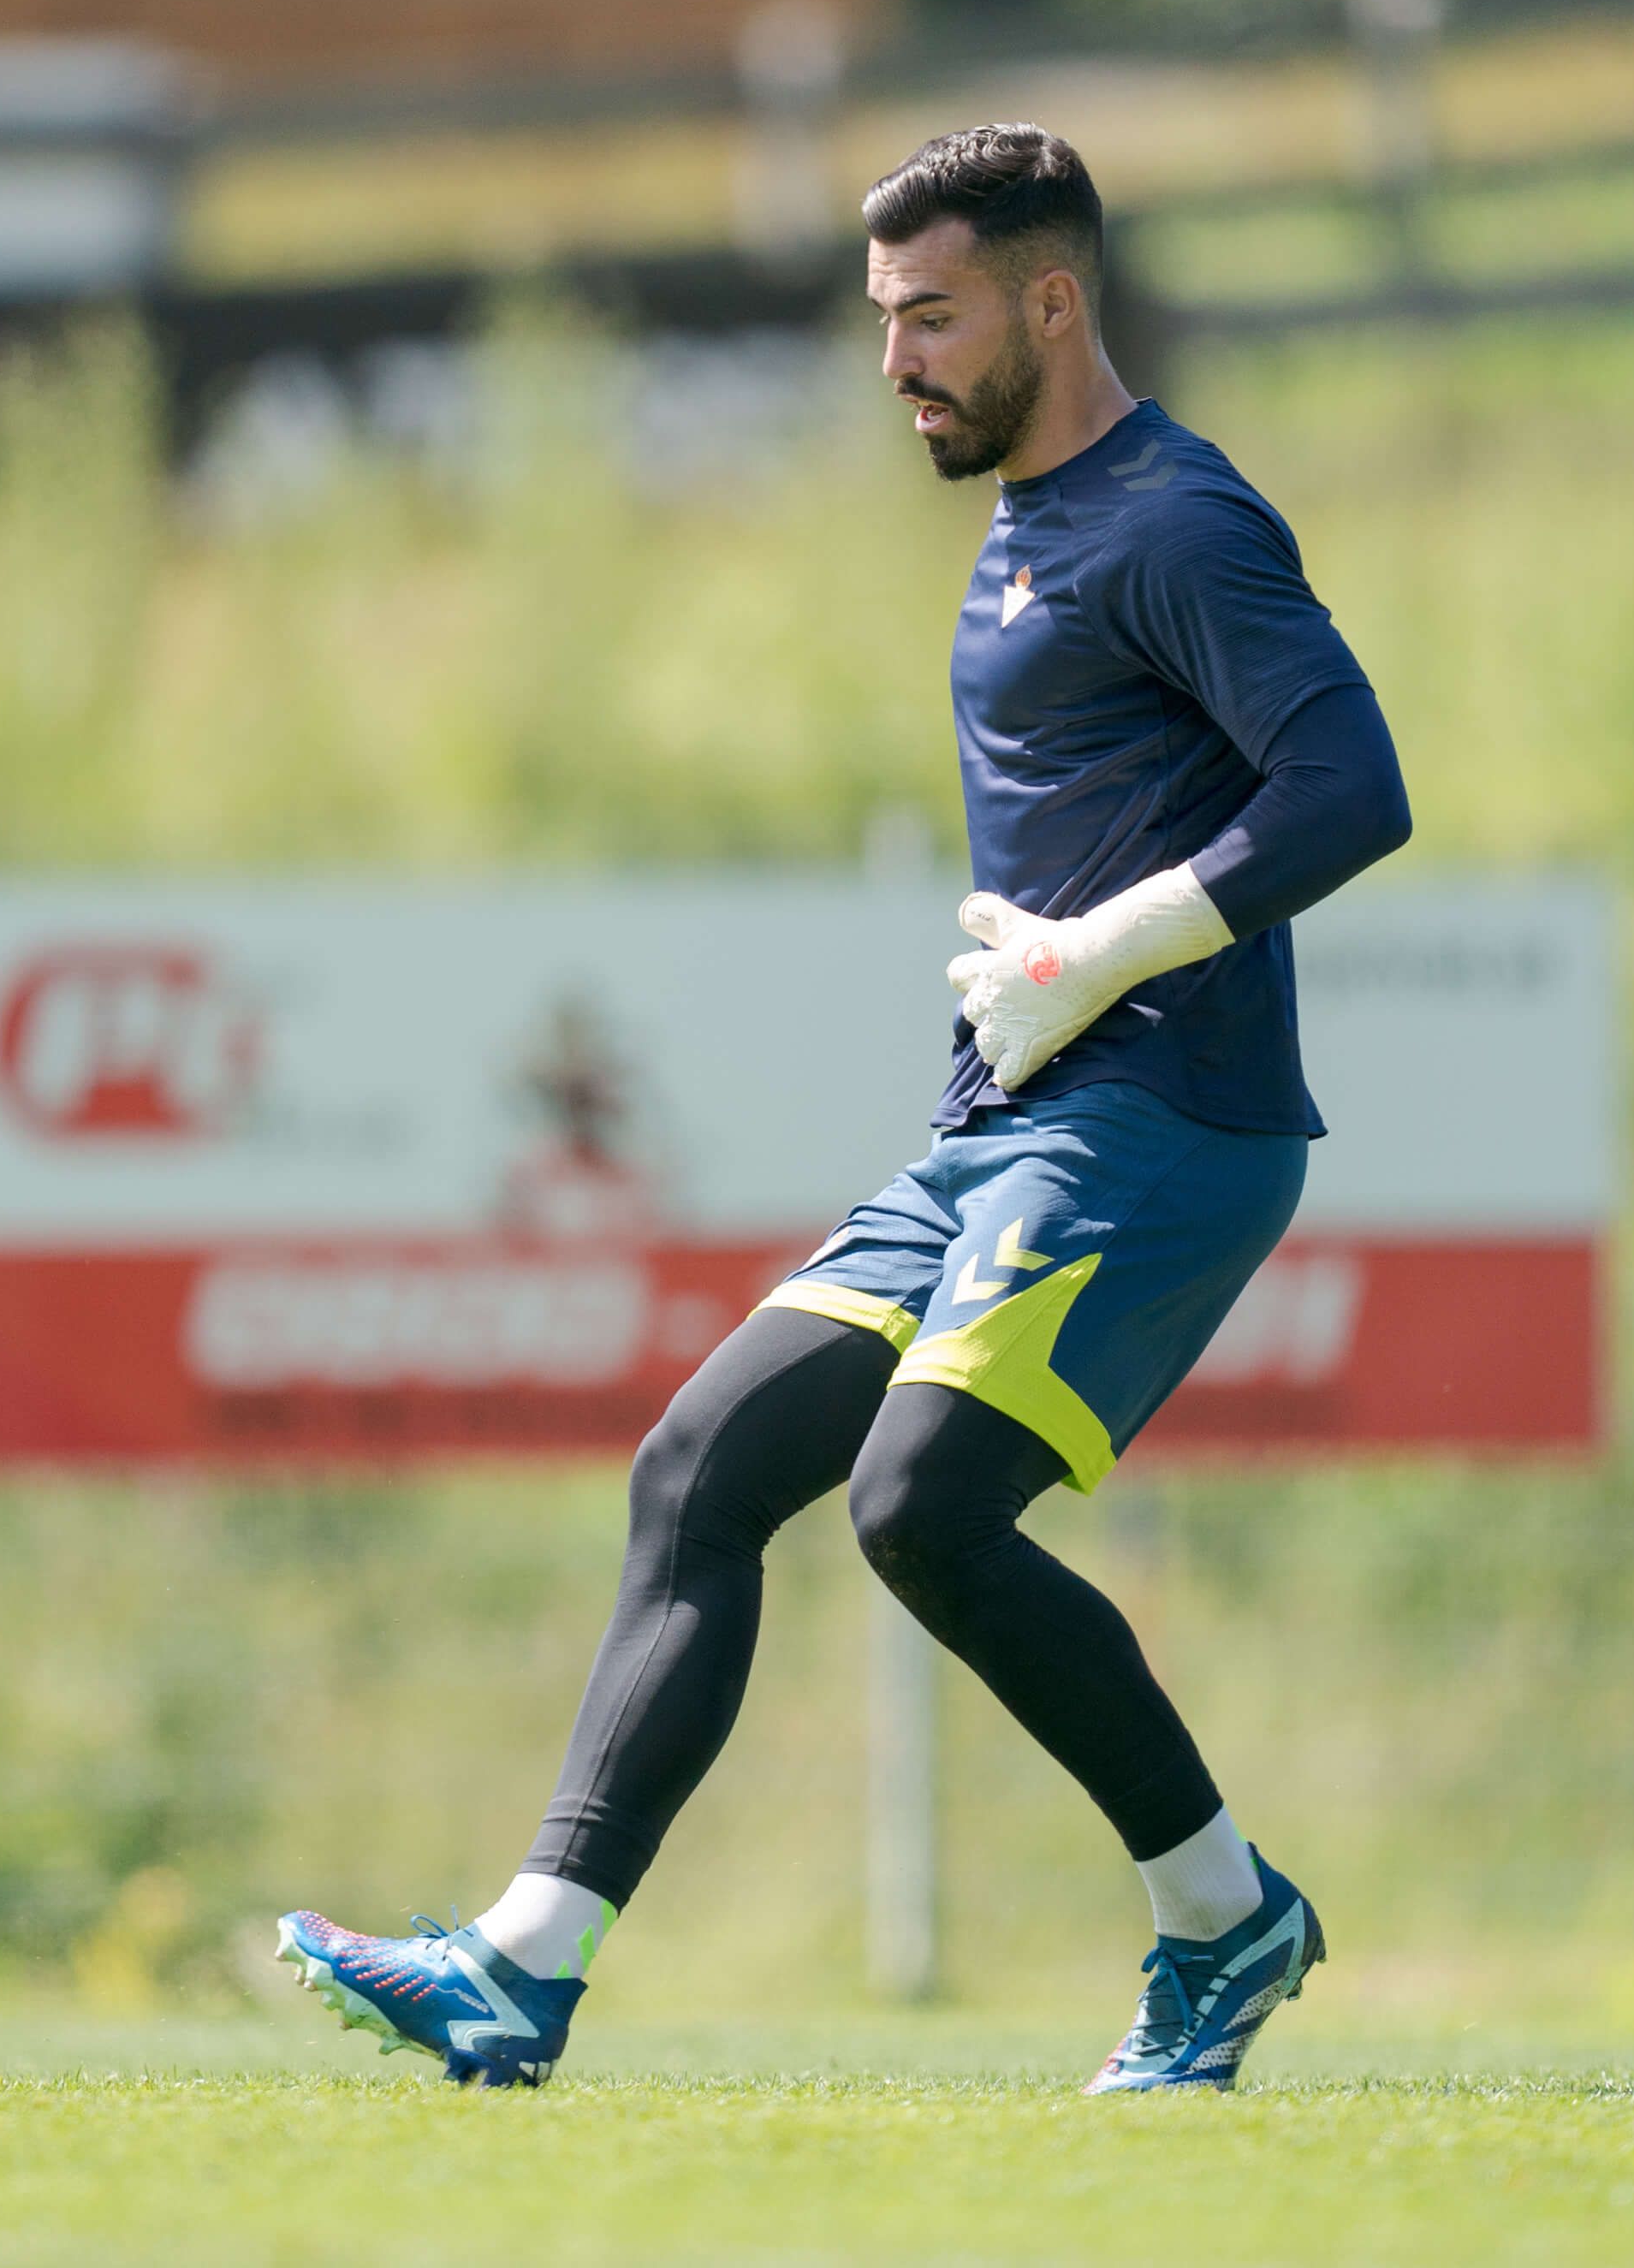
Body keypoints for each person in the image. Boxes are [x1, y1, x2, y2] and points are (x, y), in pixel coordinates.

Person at [276, 125, 1411, 2092]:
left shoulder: (1177, 520)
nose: (894, 359)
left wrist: (1093, 958)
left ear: (1053, 302)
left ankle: (1226, 1920)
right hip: (1008, 1124)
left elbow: (1353, 789)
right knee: (698, 1471)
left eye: (932, 316)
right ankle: (524, 1965)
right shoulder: (1030, 517)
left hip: (1163, 1123)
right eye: (882, 318)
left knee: (919, 1506)